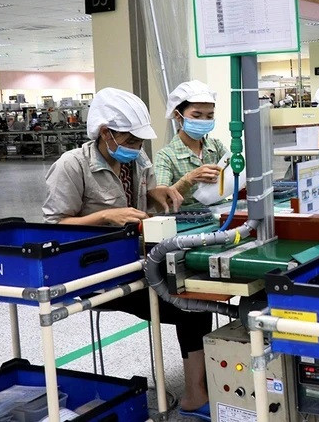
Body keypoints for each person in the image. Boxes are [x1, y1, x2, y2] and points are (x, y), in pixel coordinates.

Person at [42, 87, 212, 420]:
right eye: (130, 141)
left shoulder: (137, 159)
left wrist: (159, 193)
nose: (136, 148)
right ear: (106, 133)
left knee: (195, 293)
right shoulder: (72, 165)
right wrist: (105, 216)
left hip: (137, 262)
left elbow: (141, 205)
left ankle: (199, 389)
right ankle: (195, 393)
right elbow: (53, 226)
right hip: (95, 274)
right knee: (187, 306)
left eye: (139, 142)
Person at [154, 80, 228, 208]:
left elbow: (237, 174)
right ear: (178, 115)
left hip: (220, 214)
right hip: (186, 218)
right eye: (197, 116)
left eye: (209, 116)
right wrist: (189, 179)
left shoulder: (216, 147)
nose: (203, 121)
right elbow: (161, 202)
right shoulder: (165, 156)